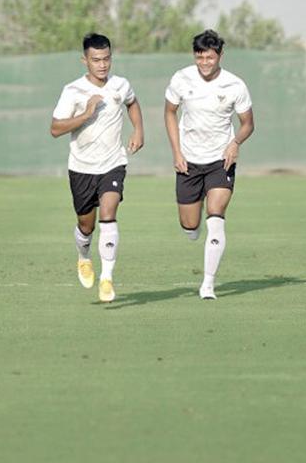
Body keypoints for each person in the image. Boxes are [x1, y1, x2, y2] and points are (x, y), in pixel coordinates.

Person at [50, 33, 144, 303]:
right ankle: (83, 257)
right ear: (85, 60)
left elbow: (132, 102)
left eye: (106, 59)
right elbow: (55, 129)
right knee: (86, 225)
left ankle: (107, 278)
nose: (102, 65)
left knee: (109, 212)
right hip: (81, 167)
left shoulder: (121, 84)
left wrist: (138, 129)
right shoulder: (73, 91)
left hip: (113, 163)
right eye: (96, 60)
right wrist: (86, 114)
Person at [164, 29, 254, 300]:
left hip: (220, 161)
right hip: (189, 161)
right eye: (199, 57)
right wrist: (177, 152)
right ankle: (194, 227)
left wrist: (235, 143)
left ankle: (208, 284)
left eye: (210, 58)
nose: (204, 63)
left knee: (216, 215)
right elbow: (170, 112)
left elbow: (248, 124)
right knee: (190, 227)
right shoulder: (181, 78)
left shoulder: (235, 85)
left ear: (220, 56)